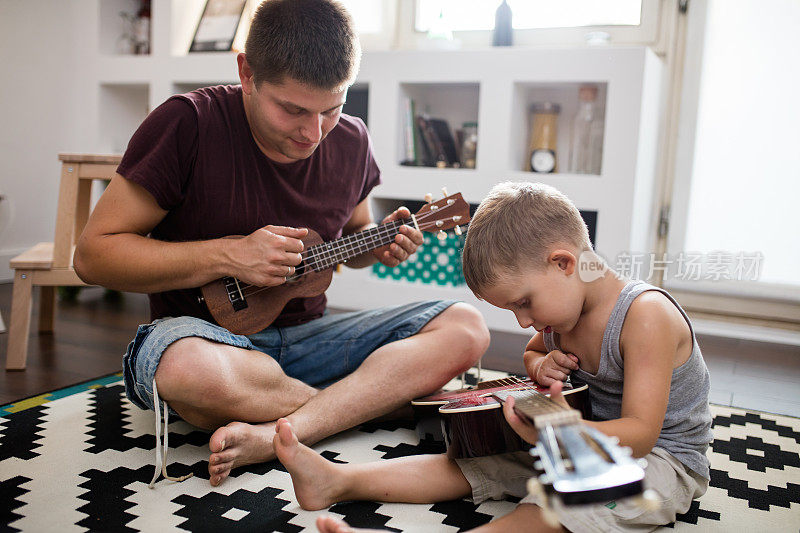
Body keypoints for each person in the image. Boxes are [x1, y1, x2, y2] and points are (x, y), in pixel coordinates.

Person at [73, 0, 489, 488]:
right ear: (246, 72)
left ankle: (280, 428)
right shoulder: (188, 124)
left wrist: (374, 246)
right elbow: (93, 255)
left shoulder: (352, 142)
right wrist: (228, 255)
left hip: (313, 340)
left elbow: (351, 242)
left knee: (466, 326)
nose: (313, 133)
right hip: (214, 345)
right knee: (184, 369)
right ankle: (356, 405)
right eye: (292, 109)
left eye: (332, 108)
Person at [273, 182, 713, 532]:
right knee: (475, 462)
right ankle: (338, 480)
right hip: (580, 438)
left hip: (659, 459)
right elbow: (534, 351)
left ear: (563, 263)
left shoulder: (645, 317)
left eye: (524, 303)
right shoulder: (560, 312)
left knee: (556, 501)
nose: (524, 323)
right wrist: (539, 365)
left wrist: (564, 432)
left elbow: (641, 434)